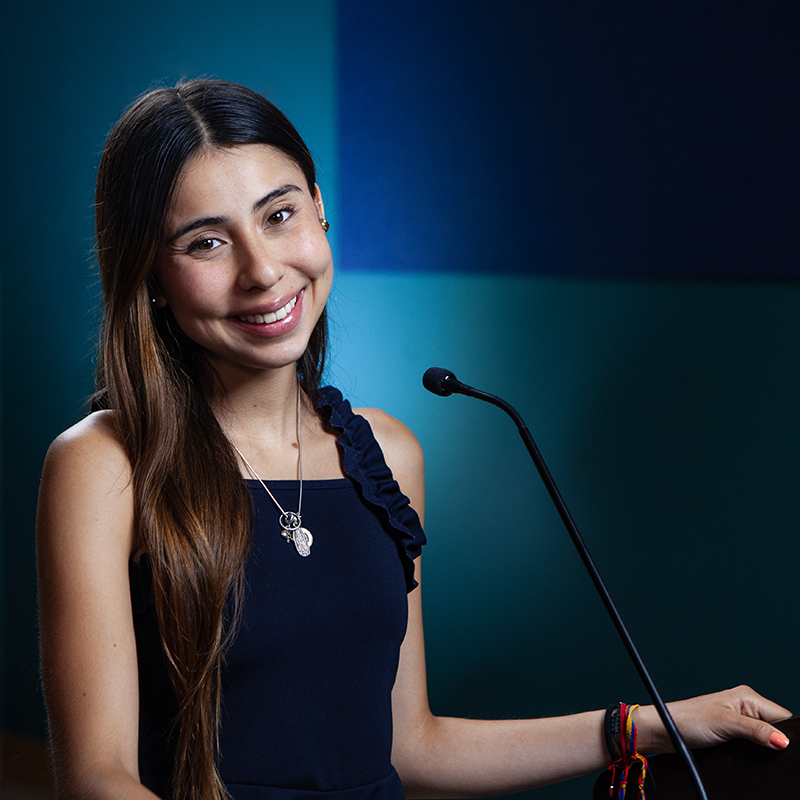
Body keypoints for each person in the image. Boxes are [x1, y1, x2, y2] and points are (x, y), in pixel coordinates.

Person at [36, 79, 791, 800]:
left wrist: (655, 727)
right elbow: (95, 778)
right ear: (151, 275)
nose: (263, 270)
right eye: (206, 243)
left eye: (279, 214)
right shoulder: (102, 465)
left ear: (320, 211)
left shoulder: (387, 457)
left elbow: (410, 748)